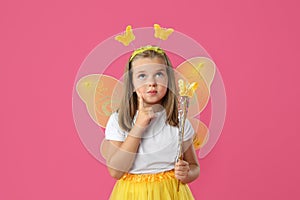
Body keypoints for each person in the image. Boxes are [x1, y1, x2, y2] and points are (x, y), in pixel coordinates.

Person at [101, 45, 200, 199]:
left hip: (170, 194)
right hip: (132, 195)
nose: (152, 82)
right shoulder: (119, 120)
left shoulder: (179, 121)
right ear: (131, 83)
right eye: (142, 76)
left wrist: (187, 173)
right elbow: (116, 171)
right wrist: (139, 126)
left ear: (168, 80)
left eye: (159, 74)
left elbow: (194, 167)